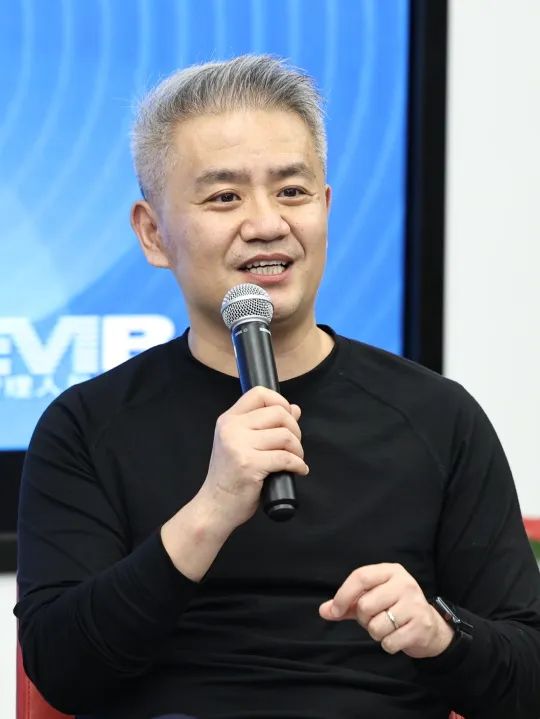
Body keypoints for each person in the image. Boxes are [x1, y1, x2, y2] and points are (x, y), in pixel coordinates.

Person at [14, 55, 540, 719]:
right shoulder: (87, 426)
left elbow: (528, 678)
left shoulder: (437, 416)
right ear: (153, 233)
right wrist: (211, 509)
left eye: (292, 192)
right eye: (224, 197)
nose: (266, 223)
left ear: (325, 208)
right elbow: (62, 671)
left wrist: (442, 633)